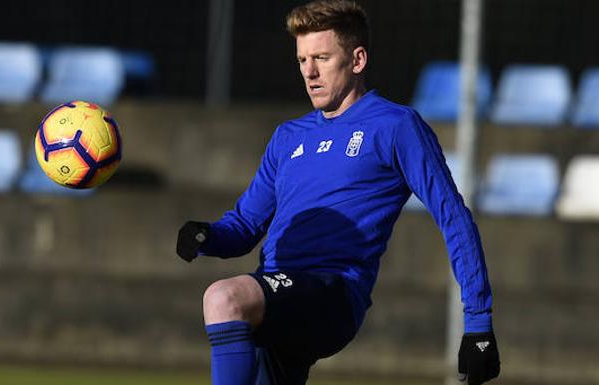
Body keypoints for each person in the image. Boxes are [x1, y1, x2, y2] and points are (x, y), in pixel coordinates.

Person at [176, 1, 500, 384]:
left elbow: (454, 217)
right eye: (302, 60)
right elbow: (245, 225)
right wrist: (207, 236)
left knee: (223, 298)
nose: (309, 72)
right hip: (276, 299)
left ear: (357, 59)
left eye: (322, 58)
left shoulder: (396, 126)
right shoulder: (288, 137)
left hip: (331, 292)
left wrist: (478, 323)